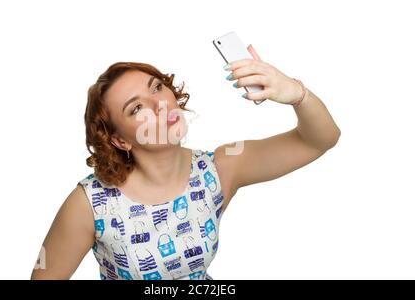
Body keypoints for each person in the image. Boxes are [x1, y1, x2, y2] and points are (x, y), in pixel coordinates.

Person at [30, 44, 341, 280]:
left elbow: (320, 139)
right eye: (136, 108)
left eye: (157, 87)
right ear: (120, 141)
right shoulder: (89, 204)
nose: (159, 104)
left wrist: (296, 93)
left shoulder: (221, 167)